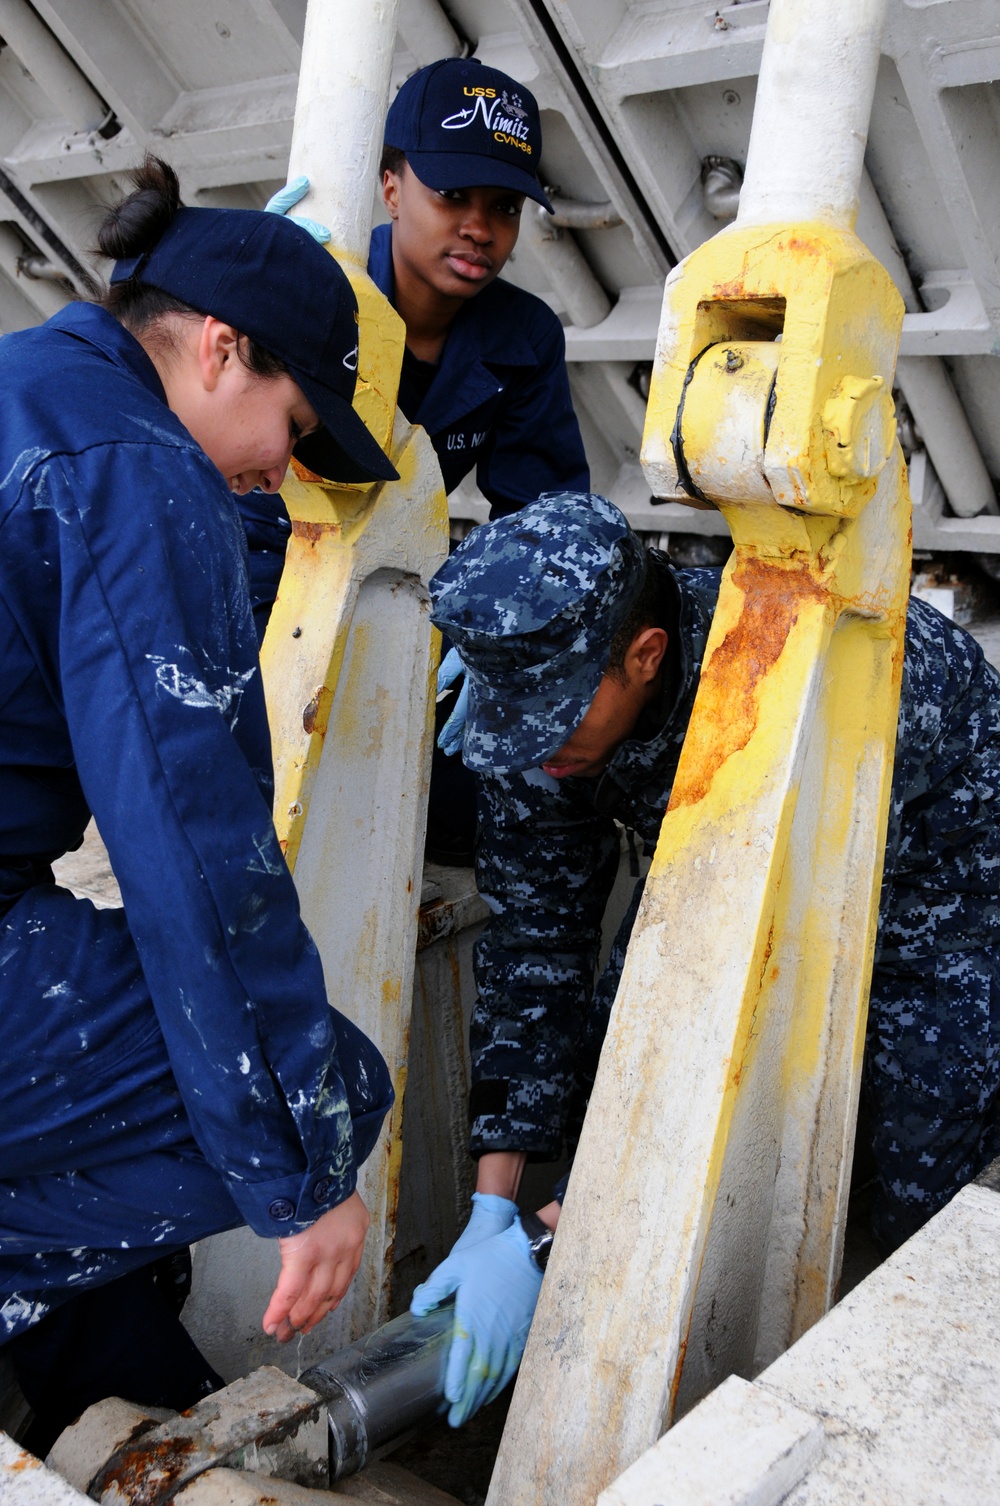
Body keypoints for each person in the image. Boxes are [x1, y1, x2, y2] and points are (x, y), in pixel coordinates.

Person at [410, 489, 1000, 1423]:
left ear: (645, 657)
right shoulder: (553, 716)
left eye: (551, 723)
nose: (535, 748)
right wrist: (498, 1202)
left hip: (940, 872)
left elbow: (749, 972)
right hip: (725, 845)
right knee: (612, 1060)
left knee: (913, 1164)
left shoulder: (805, 678)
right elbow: (535, 944)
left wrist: (573, 1223)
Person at [0, 157, 398, 1453]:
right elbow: (192, 845)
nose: (286, 467)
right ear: (221, 348)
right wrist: (310, 1178)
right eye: (293, 422)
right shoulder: (136, 466)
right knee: (331, 1080)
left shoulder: (35, 387)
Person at [245, 56, 592, 864]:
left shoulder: (523, 337)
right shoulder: (320, 284)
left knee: (472, 826)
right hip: (263, 577)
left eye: (503, 207)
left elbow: (541, 518)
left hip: (403, 592)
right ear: (392, 185)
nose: (480, 227)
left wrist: (498, 634)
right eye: (452, 196)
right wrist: (254, 285)